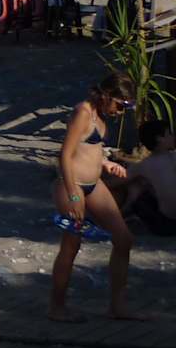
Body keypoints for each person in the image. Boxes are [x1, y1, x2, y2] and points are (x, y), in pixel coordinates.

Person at [48, 73, 139, 322]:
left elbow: (88, 149)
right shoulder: (83, 112)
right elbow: (65, 155)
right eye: (120, 105)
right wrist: (74, 195)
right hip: (72, 185)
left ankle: (117, 306)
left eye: (126, 108)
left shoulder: (101, 115)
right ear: (107, 95)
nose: (120, 112)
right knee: (71, 245)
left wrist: (106, 163)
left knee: (124, 239)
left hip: (93, 184)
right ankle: (57, 307)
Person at [123, 117, 176, 237]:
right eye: (169, 134)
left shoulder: (144, 165)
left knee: (138, 185)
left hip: (166, 225)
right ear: (159, 139)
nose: (173, 136)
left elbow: (117, 181)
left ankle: (123, 213)